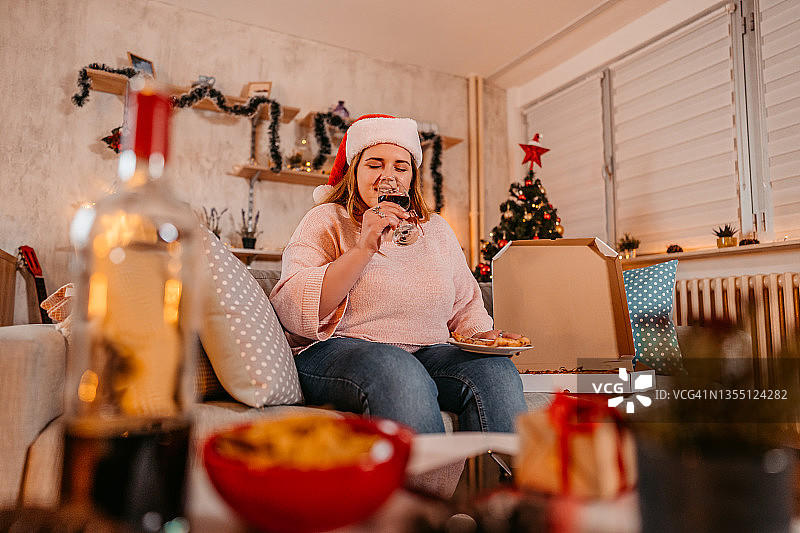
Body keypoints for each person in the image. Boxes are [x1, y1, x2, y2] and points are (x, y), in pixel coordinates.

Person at [270, 114, 527, 434]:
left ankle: (515, 481)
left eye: (400, 167)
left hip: (428, 354)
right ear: (355, 171)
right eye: (374, 164)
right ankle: (419, 486)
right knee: (397, 367)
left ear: (411, 178)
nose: (387, 176)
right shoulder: (327, 219)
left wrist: (483, 336)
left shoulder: (437, 230)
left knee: (495, 370)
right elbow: (293, 308)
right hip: (337, 353)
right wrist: (364, 247)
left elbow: (466, 306)